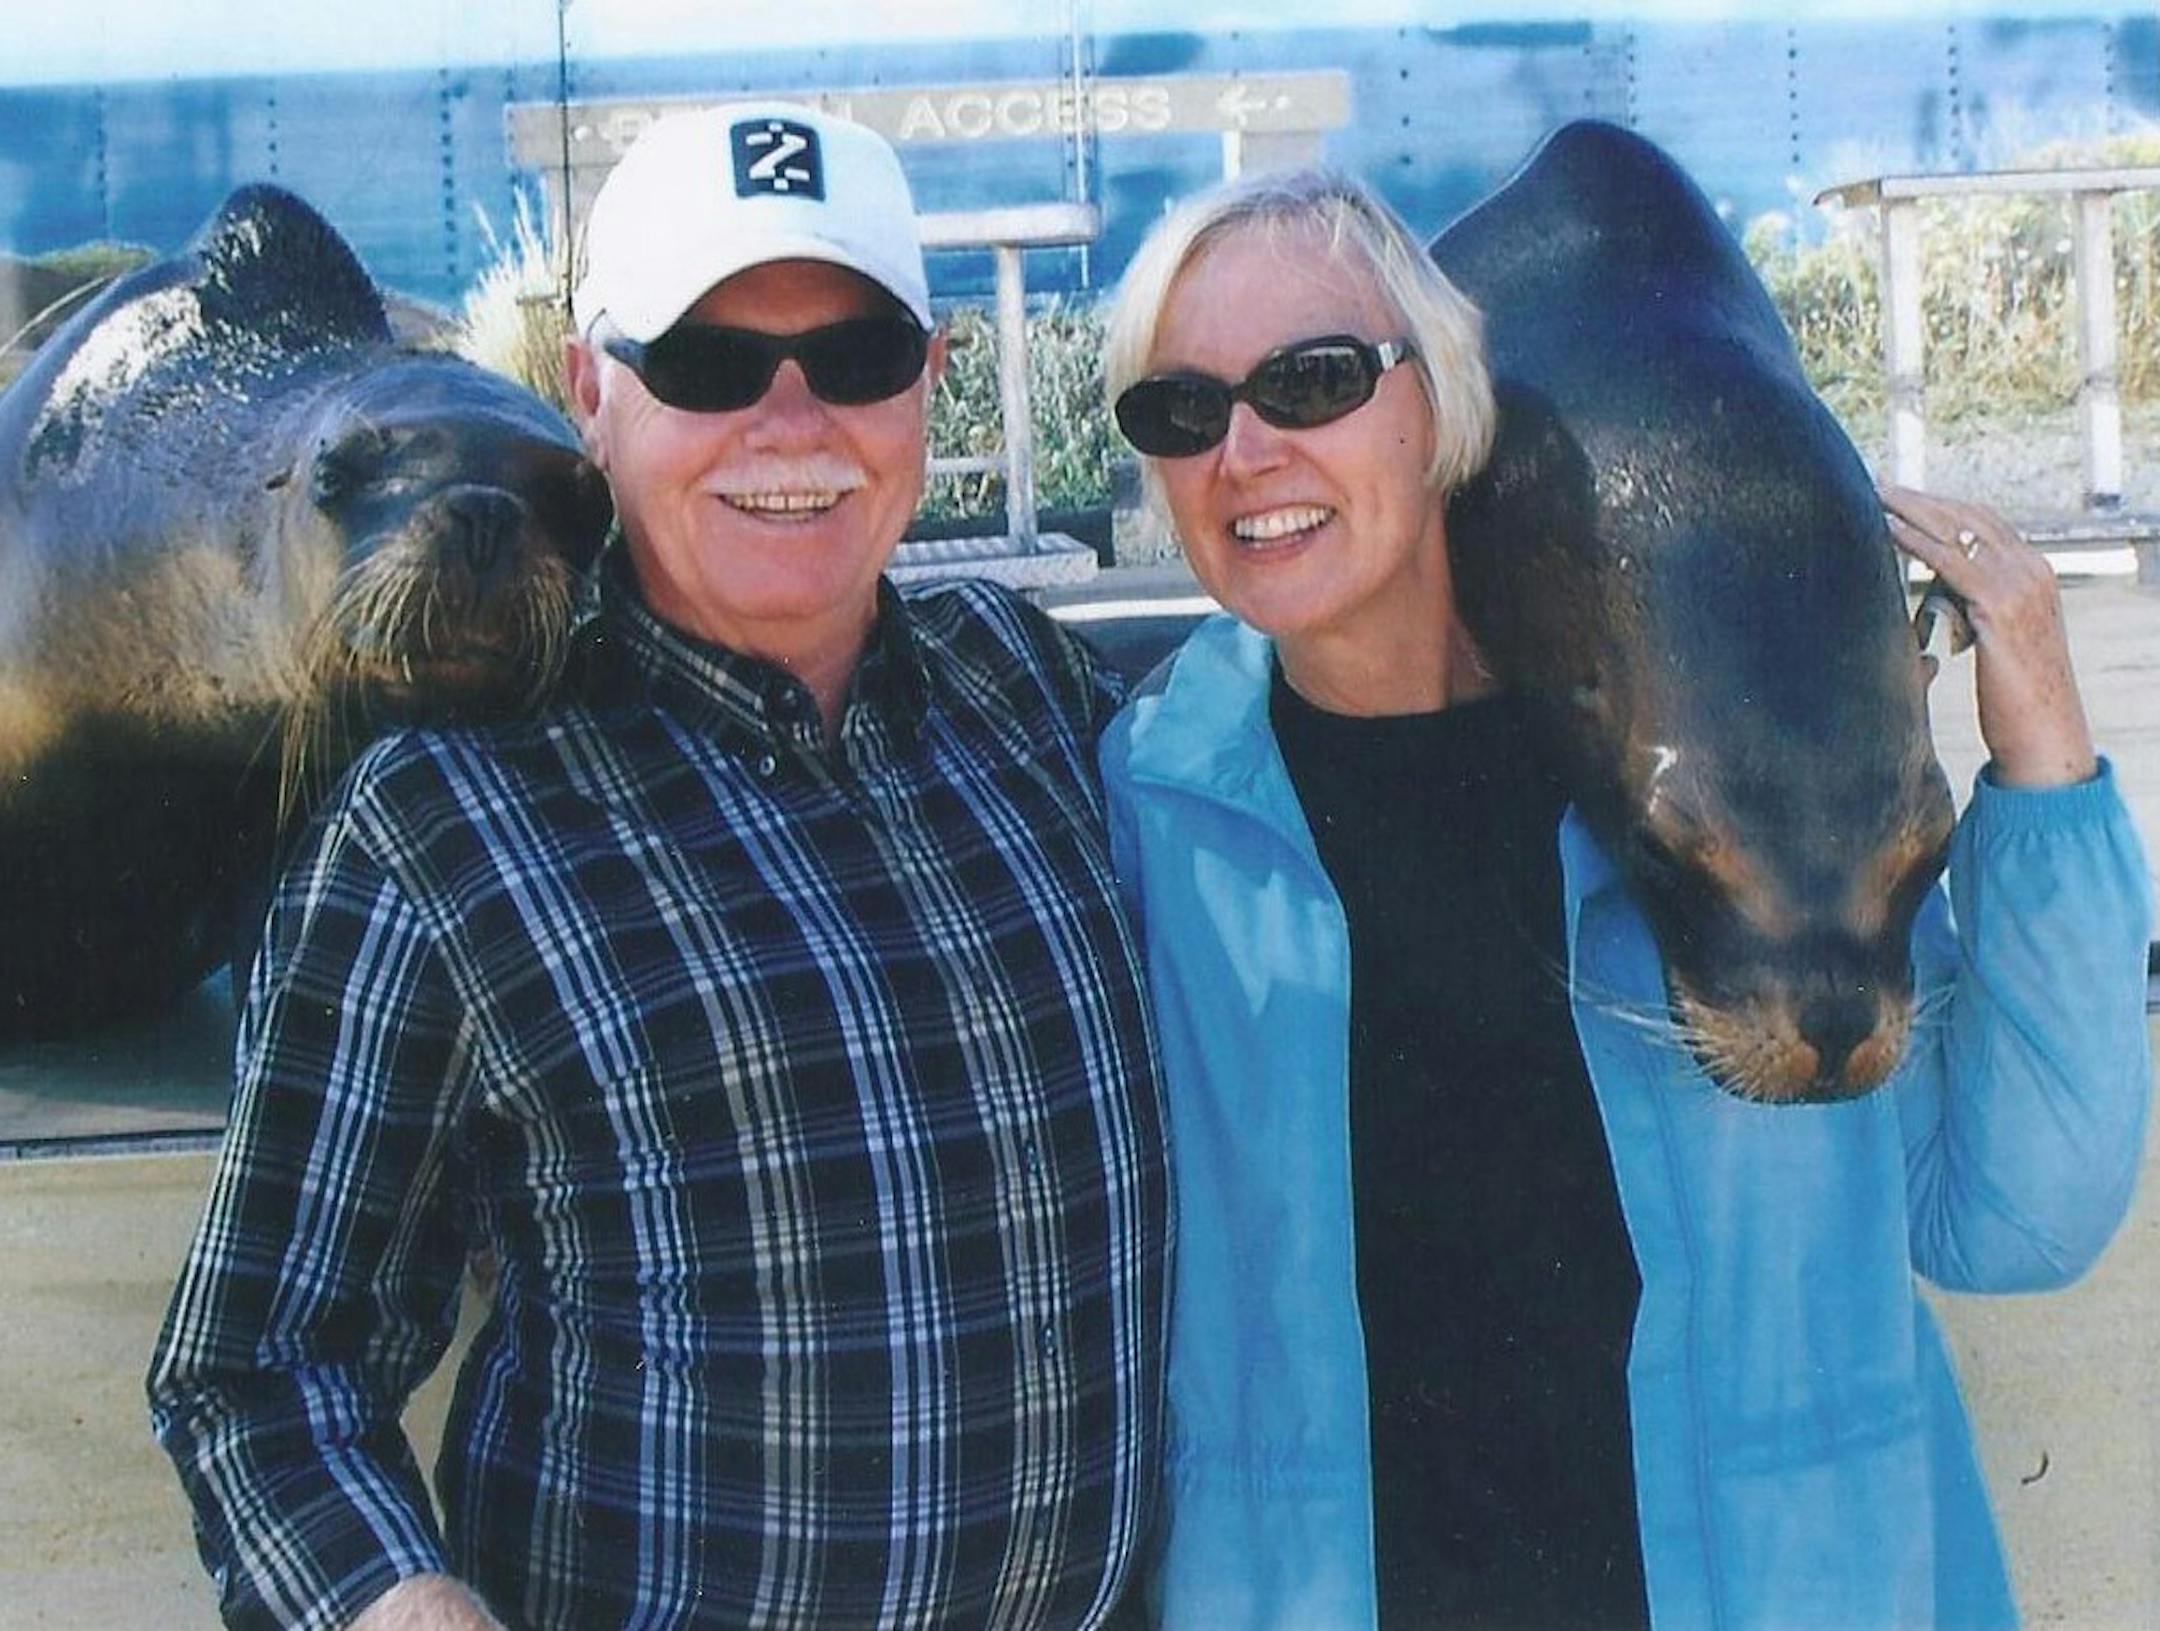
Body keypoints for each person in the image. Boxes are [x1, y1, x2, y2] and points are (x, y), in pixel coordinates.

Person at [148, 102, 1168, 1631]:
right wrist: (393, 1601)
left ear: (932, 390)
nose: (791, 422)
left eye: (858, 360)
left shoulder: (1026, 691)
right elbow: (258, 1366)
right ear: (588, 394)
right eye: (702, 366)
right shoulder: (444, 828)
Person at [1096, 168, 2151, 1630]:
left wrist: (2042, 758)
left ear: (1442, 398)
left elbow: (2015, 1217)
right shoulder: (1151, 811)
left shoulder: (1713, 784)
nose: (1248, 451)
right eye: (1181, 411)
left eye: (1314, 379)